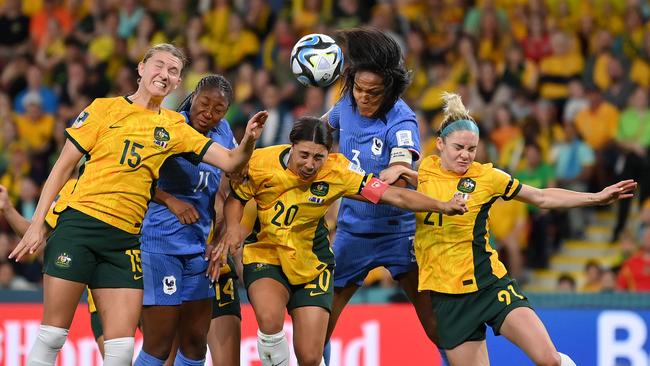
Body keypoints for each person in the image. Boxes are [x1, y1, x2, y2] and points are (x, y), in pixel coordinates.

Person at [8, 43, 268, 365]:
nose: (165, 74)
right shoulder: (103, 109)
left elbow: (230, 161)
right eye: (159, 65)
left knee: (122, 352)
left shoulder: (175, 127)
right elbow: (62, 168)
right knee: (52, 337)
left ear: (177, 84)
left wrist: (251, 138)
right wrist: (36, 224)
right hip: (80, 227)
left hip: (126, 241)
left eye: (173, 71)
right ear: (141, 68)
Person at [208, 117, 468, 366]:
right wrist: (232, 227)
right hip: (267, 254)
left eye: (318, 157)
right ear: (292, 146)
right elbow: (237, 198)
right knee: (269, 320)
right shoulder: (261, 162)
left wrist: (441, 205)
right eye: (304, 155)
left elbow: (394, 196)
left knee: (310, 357)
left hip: (312, 263)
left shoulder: (338, 171)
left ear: (328, 154)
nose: (310, 164)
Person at [411, 92, 635, 366]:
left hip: (490, 286)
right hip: (448, 299)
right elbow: (392, 192)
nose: (465, 155)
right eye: (458, 147)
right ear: (439, 144)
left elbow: (541, 197)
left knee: (549, 360)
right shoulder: (421, 173)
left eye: (472, 149)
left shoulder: (488, 177)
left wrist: (595, 197)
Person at [321, 27, 442, 360]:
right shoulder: (345, 103)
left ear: (388, 89)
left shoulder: (401, 119)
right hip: (351, 234)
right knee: (318, 325)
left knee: (436, 326)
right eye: (359, 88)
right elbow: (319, 132)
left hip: (397, 234)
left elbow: (403, 169)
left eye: (373, 92)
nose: (363, 97)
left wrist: (396, 168)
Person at [135, 74, 242, 366]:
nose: (209, 113)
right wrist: (170, 200)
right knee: (159, 344)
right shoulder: (167, 125)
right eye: (204, 103)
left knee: (195, 344)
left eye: (218, 109)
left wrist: (220, 239)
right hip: (160, 245)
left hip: (198, 249)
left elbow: (234, 186)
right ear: (193, 96)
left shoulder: (224, 132)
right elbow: (136, 175)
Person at [0, 181, 106, 355]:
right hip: (103, 301)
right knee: (121, 358)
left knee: (160, 354)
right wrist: (8, 208)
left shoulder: (141, 178)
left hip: (150, 276)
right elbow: (35, 234)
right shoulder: (72, 188)